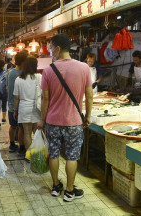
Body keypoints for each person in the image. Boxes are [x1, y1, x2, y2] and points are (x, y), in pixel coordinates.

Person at [38, 34, 93, 202]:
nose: (50, 53)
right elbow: (89, 96)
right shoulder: (84, 68)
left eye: (51, 49)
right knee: (72, 156)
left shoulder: (48, 71)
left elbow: (45, 99)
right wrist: (88, 116)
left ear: (58, 49)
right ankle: (69, 191)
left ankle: (56, 186)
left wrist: (42, 119)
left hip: (53, 121)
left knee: (53, 154)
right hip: (74, 122)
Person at [13, 56, 41, 153]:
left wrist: (15, 110)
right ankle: (38, 156)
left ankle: (30, 156)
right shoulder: (39, 77)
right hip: (37, 108)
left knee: (27, 133)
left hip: (24, 108)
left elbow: (17, 97)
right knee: (37, 133)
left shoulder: (19, 79)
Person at [7, 51, 28, 154]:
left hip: (11, 104)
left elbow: (8, 88)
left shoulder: (10, 72)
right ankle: (22, 147)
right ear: (23, 62)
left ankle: (11, 145)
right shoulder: (22, 74)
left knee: (13, 126)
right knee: (21, 127)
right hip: (18, 105)